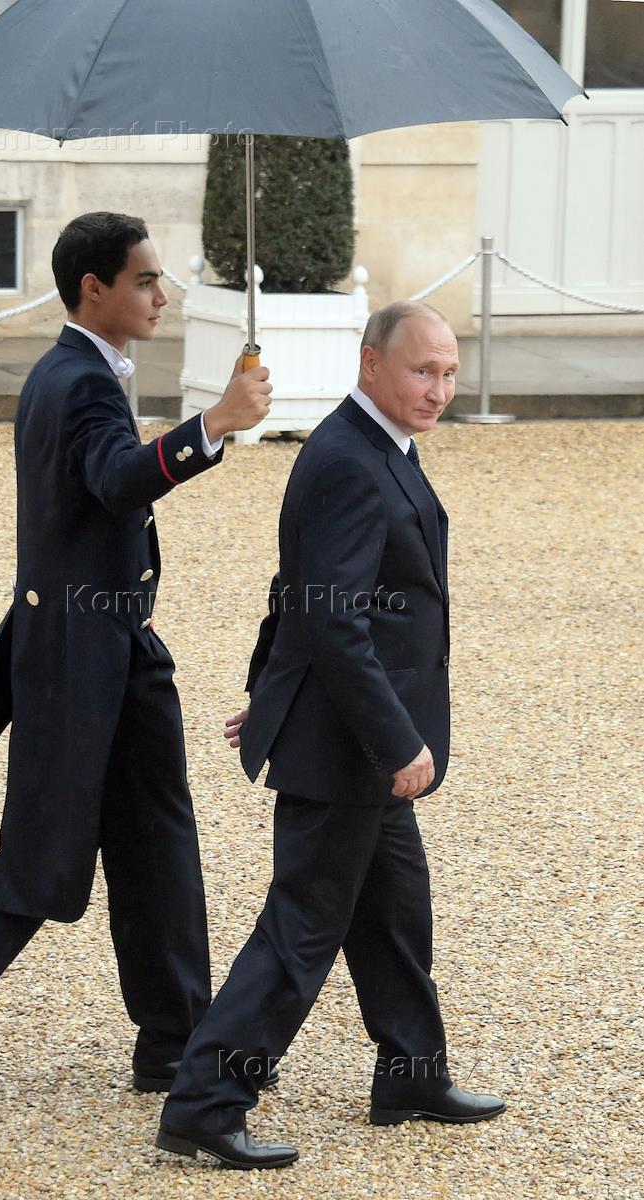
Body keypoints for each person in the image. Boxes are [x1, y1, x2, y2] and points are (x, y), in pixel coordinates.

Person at [0, 211, 273, 1093]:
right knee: (47, 846)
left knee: (154, 838)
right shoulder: (81, 381)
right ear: (93, 289)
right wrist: (214, 422)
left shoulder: (77, 371)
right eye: (143, 280)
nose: (161, 295)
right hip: (80, 655)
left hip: (110, 646)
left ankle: (174, 1039)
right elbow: (115, 479)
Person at [156, 301, 505, 1170]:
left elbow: (296, 589)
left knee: (393, 916)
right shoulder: (348, 458)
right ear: (370, 364)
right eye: (421, 371)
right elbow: (332, 618)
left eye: (448, 372)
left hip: (350, 733)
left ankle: (411, 1076)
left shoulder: (379, 446)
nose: (438, 389)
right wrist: (395, 742)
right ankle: (204, 1104)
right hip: (351, 745)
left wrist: (270, 691)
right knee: (301, 930)